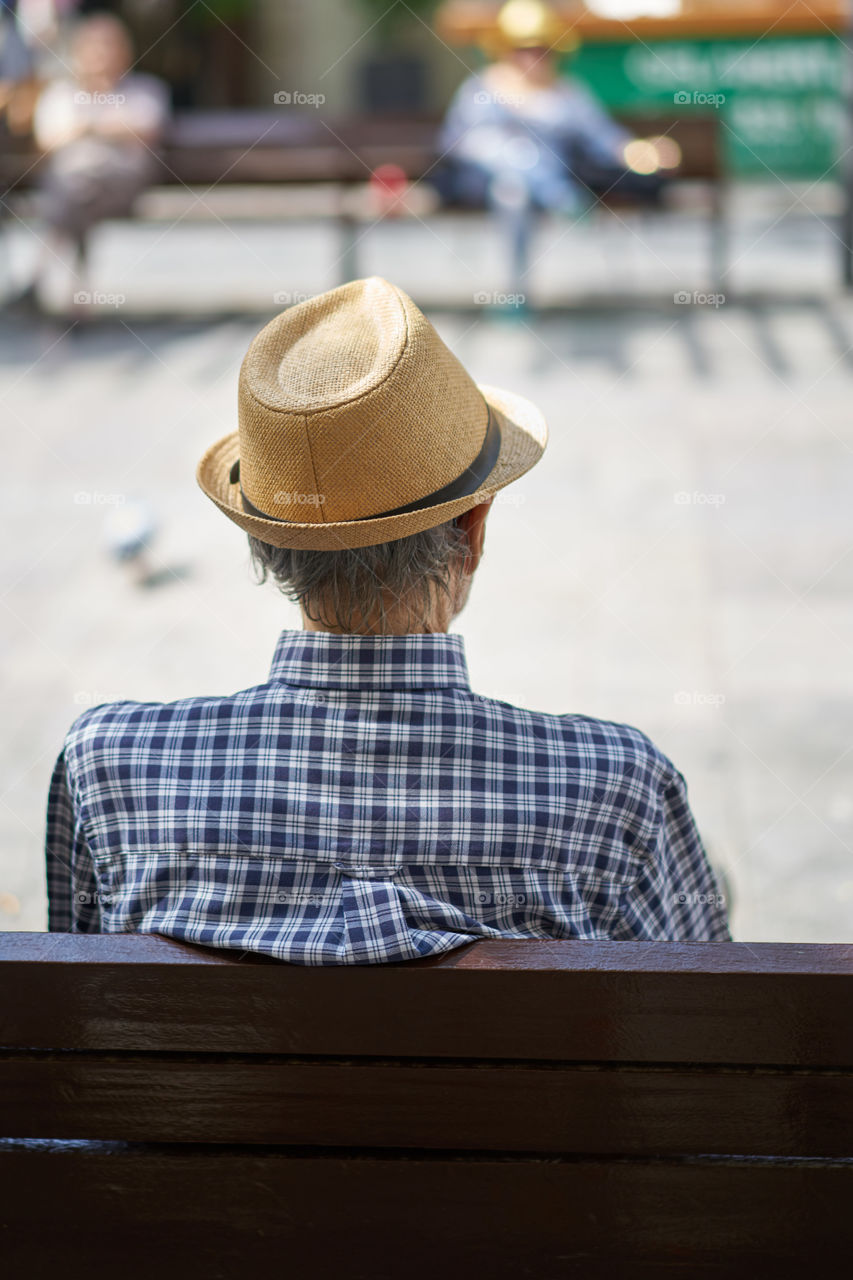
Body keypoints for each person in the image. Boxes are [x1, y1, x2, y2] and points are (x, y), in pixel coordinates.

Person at [45, 276, 730, 962]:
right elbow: (710, 1023)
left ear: (263, 542)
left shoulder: (109, 766)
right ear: (472, 531)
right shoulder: (615, 791)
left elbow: (67, 1001)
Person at [436, 0, 666, 282]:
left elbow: (602, 136)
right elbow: (460, 143)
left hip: (554, 180)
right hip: (485, 186)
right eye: (523, 49)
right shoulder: (482, 88)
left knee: (515, 188)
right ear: (505, 50)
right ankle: (516, 285)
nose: (533, 57)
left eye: (542, 49)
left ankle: (552, 196)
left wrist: (638, 151)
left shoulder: (567, 93)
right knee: (511, 186)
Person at [24, 12, 167, 308]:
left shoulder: (146, 89)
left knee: (75, 184)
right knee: (79, 188)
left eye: (109, 46)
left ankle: (40, 278)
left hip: (119, 185)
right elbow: (48, 141)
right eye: (94, 47)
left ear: (125, 52)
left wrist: (86, 128)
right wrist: (106, 127)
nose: (101, 55)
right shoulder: (61, 92)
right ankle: (80, 293)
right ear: (78, 53)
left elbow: (147, 129)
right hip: (77, 189)